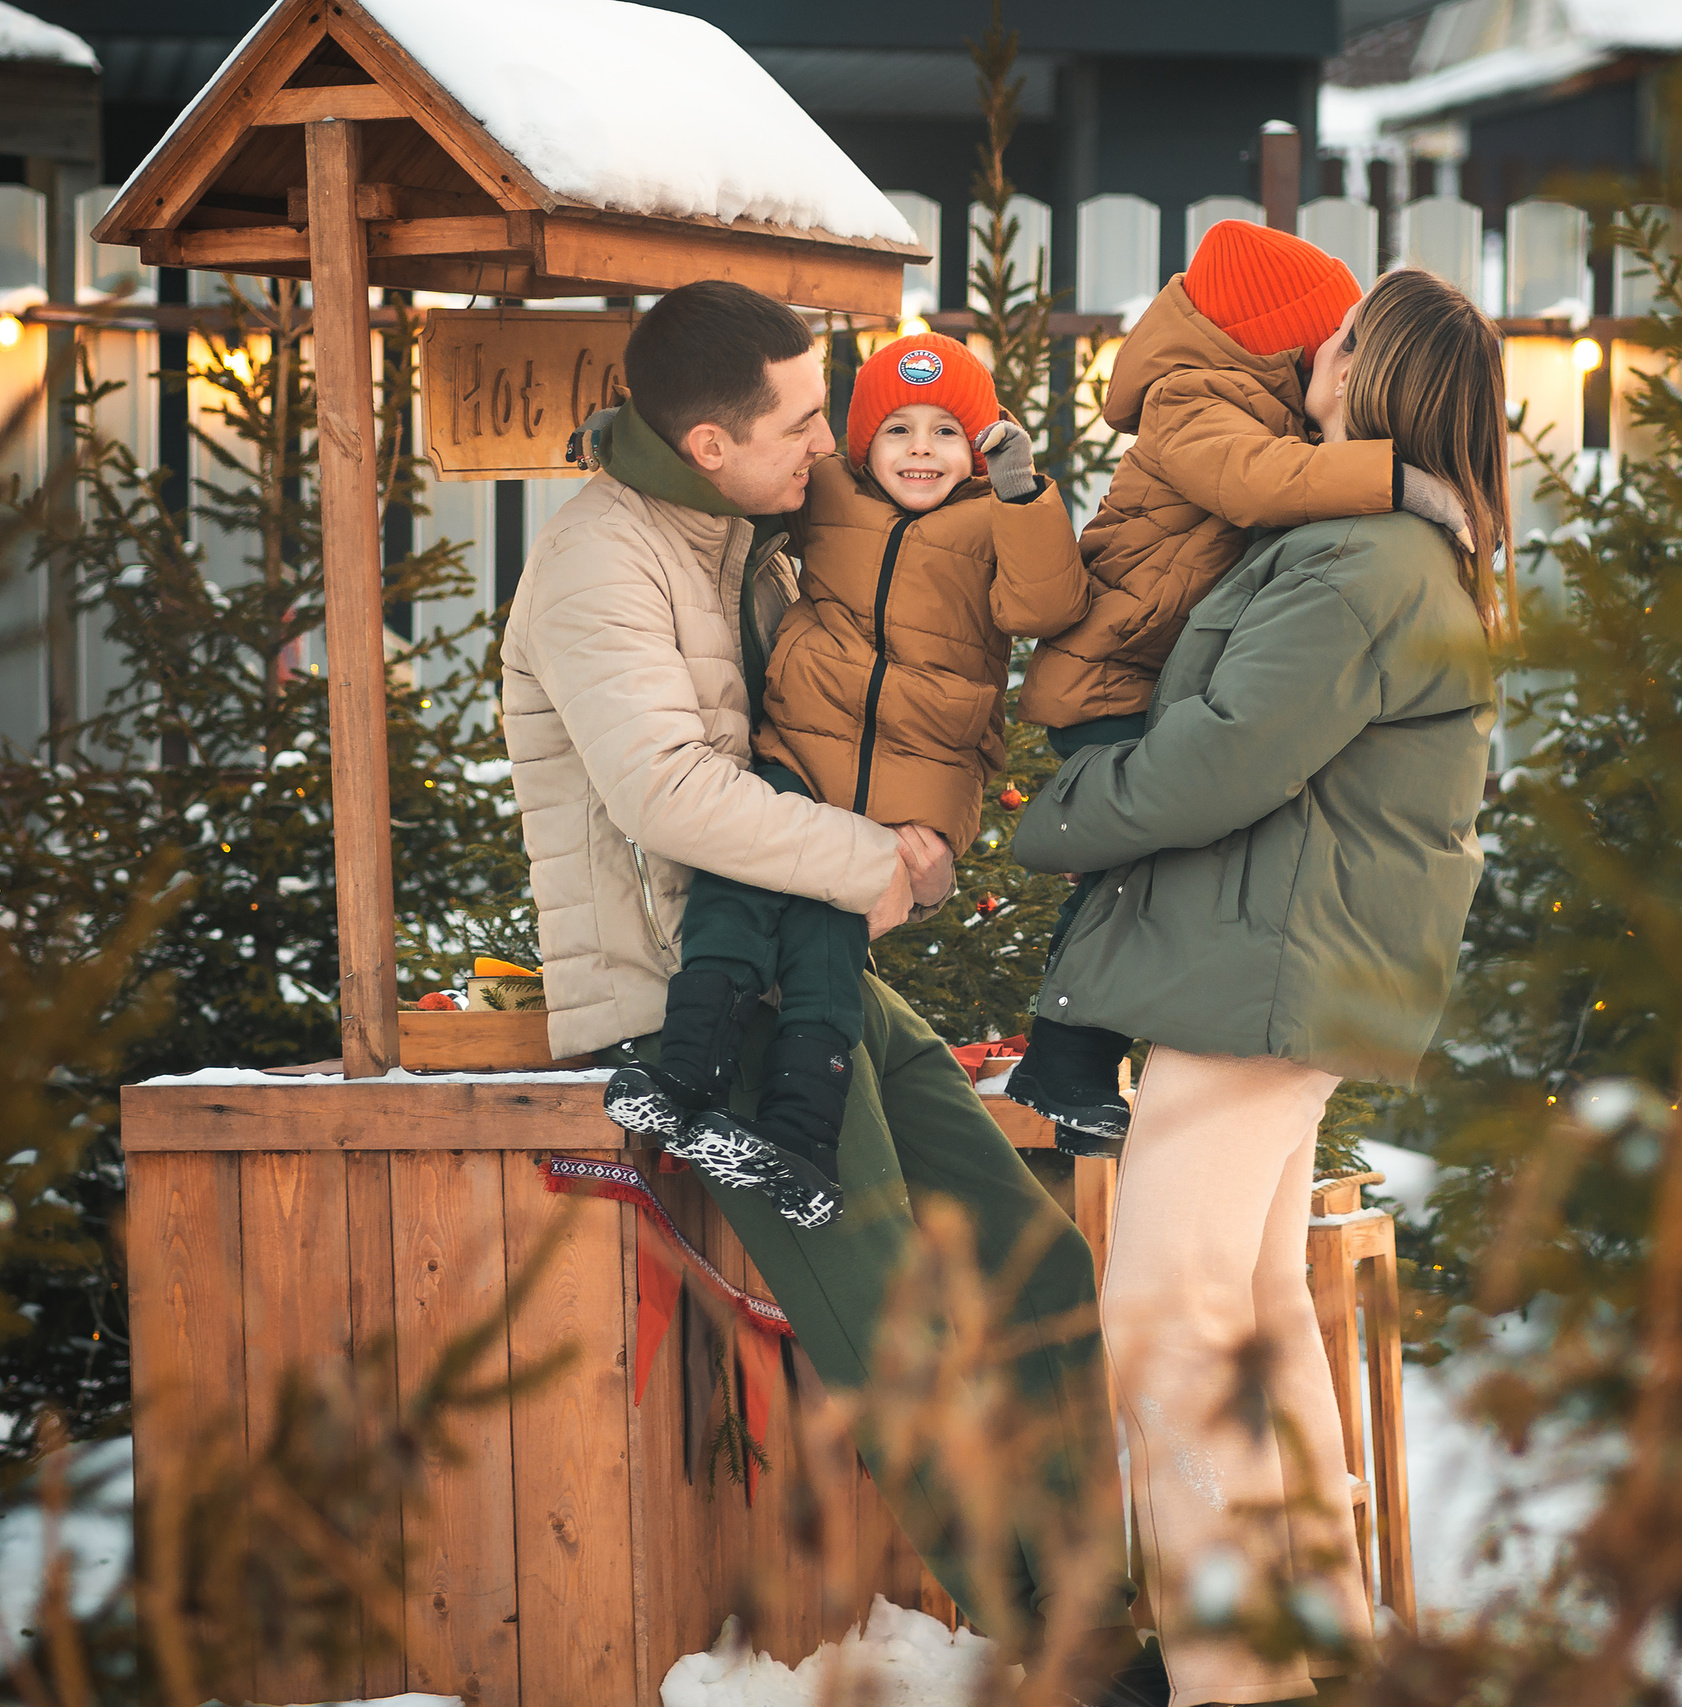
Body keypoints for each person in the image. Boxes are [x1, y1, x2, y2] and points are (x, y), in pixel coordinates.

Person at [500, 280, 1153, 1696]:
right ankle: (1067, 1643)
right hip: (691, 997)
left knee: (1035, 1256)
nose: (831, 444)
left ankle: (1106, 1589)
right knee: (890, 1323)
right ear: (713, 438)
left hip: (817, 966)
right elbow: (666, 790)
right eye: (805, 420)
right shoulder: (602, 565)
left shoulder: (744, 534)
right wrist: (875, 857)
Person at [1009, 268, 1512, 1706]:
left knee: (1168, 1317)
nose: (1312, 353)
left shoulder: (1364, 565)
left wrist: (1049, 816)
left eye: (1339, 341)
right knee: (1251, 1303)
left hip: (1266, 975)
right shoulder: (1373, 546)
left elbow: (1227, 751)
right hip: (1285, 970)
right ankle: (1312, 1649)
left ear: (1381, 378)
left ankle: (1233, 1671)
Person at [603, 332, 1089, 1230]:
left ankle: (802, 1140)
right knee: (733, 897)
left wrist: (1024, 495)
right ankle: (683, 1071)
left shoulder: (994, 523)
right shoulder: (827, 495)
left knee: (827, 957)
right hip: (798, 752)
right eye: (897, 429)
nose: (919, 450)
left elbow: (1047, 604)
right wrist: (622, 443)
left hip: (911, 789)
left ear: (978, 448)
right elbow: (726, 478)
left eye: (947, 431)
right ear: (858, 443)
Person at [1004, 220, 1469, 1157]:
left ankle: (1071, 1060)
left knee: (1135, 865)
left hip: (1146, 665)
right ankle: (1064, 1061)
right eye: (1332, 334)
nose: (1336, 353)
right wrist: (1396, 476)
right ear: (1279, 338)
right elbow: (1260, 488)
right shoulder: (1201, 402)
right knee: (1123, 867)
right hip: (1111, 675)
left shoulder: (1283, 442)